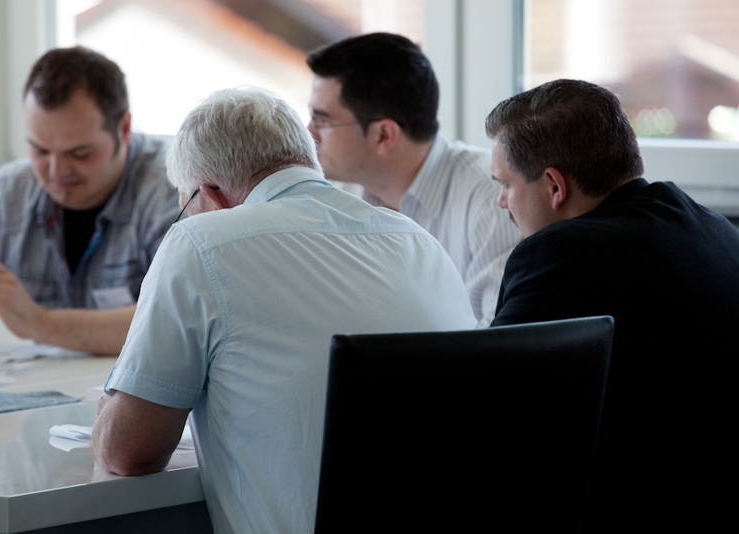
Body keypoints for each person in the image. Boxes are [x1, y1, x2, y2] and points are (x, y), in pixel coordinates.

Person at [92, 87, 476, 534]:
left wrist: (108, 410)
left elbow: (127, 452)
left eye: (186, 208)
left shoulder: (203, 241)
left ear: (211, 197)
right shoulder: (419, 243)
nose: (188, 220)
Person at [487, 79, 739, 532]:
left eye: (504, 184)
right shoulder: (712, 227)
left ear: (554, 187)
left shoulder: (560, 254)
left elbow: (490, 405)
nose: (500, 201)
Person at [0, 47, 180, 355]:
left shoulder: (176, 192)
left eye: (79, 154)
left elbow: (175, 325)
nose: (56, 172)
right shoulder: (2, 197)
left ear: (124, 129)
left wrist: (39, 322)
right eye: (39, 150)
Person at [306, 32, 520, 327]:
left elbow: (500, 343)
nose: (309, 132)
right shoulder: (336, 196)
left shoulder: (491, 198)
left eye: (322, 120)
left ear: (384, 135)